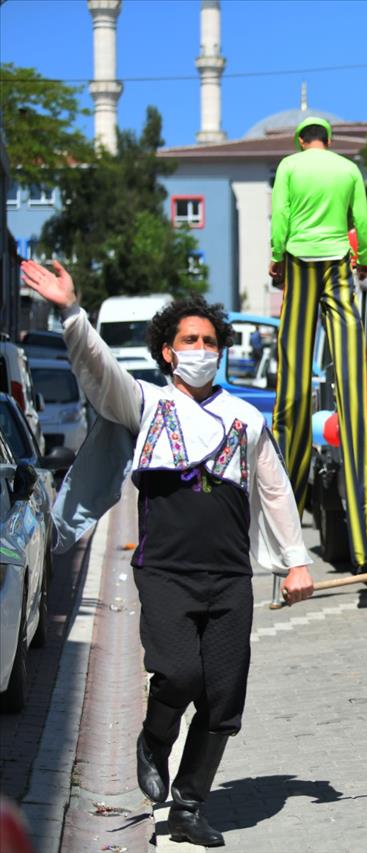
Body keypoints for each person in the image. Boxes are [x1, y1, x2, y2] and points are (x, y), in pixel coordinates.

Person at [21, 259, 314, 846]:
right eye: (189, 340)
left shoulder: (244, 417)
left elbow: (275, 488)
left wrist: (295, 561)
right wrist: (72, 314)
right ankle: (154, 739)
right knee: (178, 671)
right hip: (166, 572)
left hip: (230, 576)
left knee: (224, 695)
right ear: (167, 352)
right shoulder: (147, 406)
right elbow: (99, 372)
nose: (201, 348)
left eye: (209, 340)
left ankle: (188, 807)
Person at [268, 116, 367, 583]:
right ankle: (366, 552)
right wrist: (364, 263)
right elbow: (362, 222)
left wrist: (277, 258)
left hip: (299, 261)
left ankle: (286, 536)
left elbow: (280, 219)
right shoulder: (347, 168)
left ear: (300, 140)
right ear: (329, 140)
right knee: (351, 396)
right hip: (338, 262)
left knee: (292, 389)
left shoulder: (290, 166)